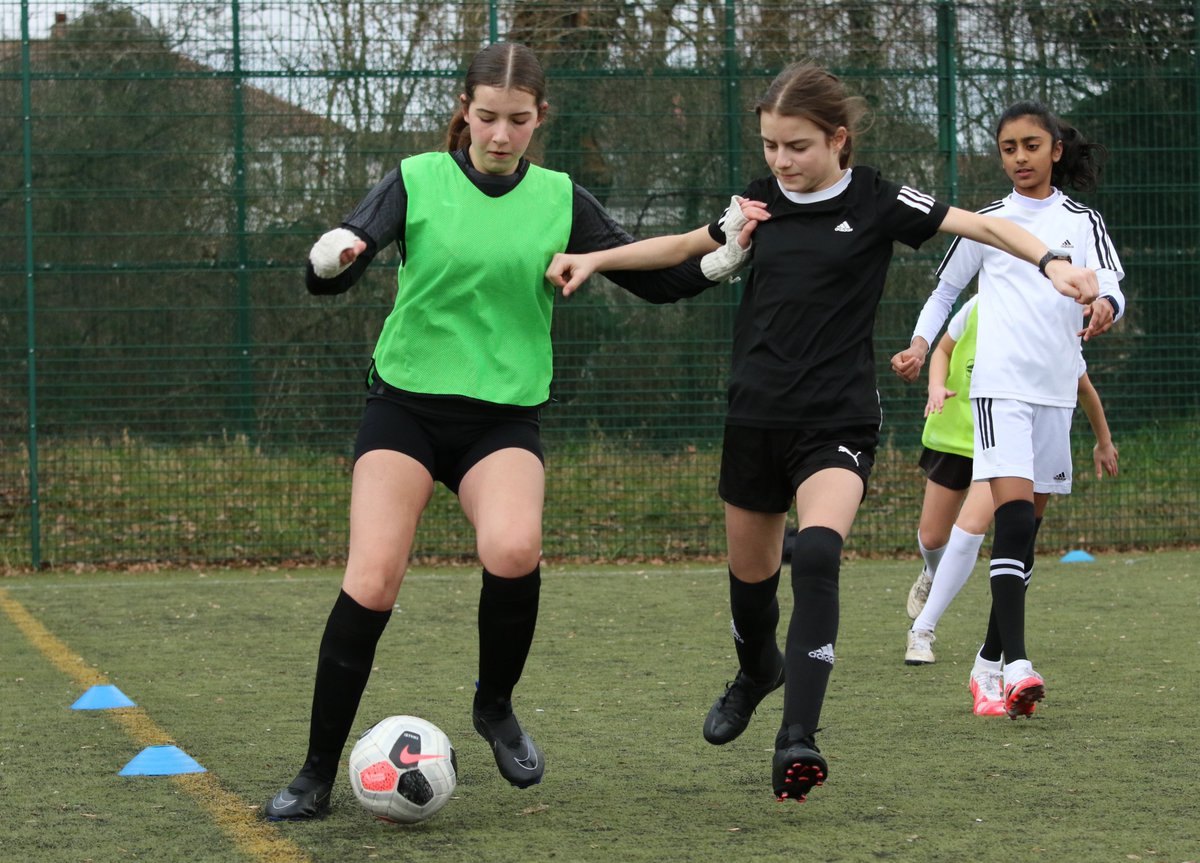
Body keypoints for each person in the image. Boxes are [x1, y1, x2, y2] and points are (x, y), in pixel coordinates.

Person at [545, 64, 1101, 802]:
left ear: (838, 139)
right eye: (772, 145)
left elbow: (984, 225)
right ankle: (756, 671)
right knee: (751, 583)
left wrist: (1053, 261)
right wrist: (596, 257)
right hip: (754, 417)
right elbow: (682, 246)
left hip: (836, 417)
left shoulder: (876, 197)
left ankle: (797, 738)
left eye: (797, 146)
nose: (781, 160)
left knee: (816, 551)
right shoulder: (760, 206)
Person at [263, 42, 719, 821]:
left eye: (517, 120)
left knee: (513, 548)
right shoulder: (416, 180)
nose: (500, 134)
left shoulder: (560, 198)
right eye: (486, 117)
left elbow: (658, 278)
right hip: (404, 408)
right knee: (372, 577)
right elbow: (334, 264)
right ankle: (313, 771)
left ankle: (494, 706)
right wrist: (329, 259)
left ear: (540, 118)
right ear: (463, 112)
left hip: (501, 419)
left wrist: (726, 249)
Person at [890, 100, 1125, 719]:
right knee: (1013, 517)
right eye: (1007, 148)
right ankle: (1018, 662)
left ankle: (986, 666)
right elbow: (944, 289)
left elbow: (1113, 286)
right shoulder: (986, 222)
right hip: (998, 389)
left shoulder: (1082, 221)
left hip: (1055, 391)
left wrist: (1106, 308)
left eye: (1029, 145)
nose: (1018, 157)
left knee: (1024, 536)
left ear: (1054, 150)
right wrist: (920, 343)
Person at [898, 296, 1119, 710]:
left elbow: (1083, 385)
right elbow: (942, 325)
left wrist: (1103, 441)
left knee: (1008, 535)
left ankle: (966, 653)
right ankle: (944, 623)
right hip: (966, 430)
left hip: (1018, 434)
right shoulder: (984, 305)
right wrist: (931, 378)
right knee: (941, 536)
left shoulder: (1057, 324)